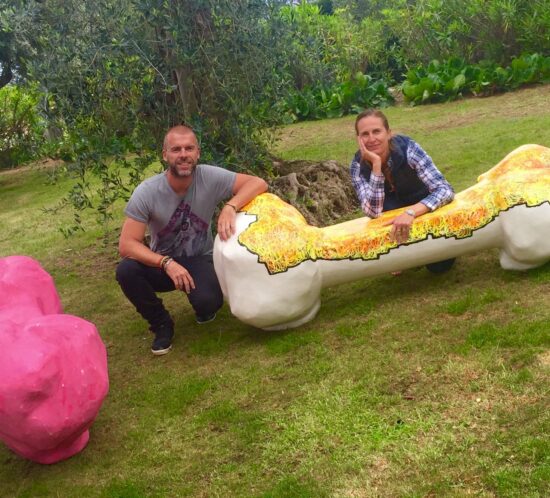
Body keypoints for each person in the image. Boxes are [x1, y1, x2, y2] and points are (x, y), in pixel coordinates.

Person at [116, 125, 268, 355]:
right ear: (165, 154)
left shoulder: (209, 176)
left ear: (197, 153)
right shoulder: (147, 192)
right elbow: (127, 244)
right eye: (176, 149)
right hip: (163, 264)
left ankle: (202, 303)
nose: (183, 154)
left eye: (189, 148)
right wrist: (166, 263)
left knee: (208, 304)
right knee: (126, 270)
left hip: (199, 259)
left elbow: (258, 183)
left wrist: (230, 206)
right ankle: (161, 323)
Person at [350, 109, 455, 273]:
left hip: (424, 211)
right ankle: (404, 255)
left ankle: (415, 254)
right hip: (392, 222)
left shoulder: (408, 148)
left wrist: (411, 212)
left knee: (440, 267)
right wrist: (376, 166)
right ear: (359, 139)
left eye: (376, 131)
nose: (371, 139)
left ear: (388, 133)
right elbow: (372, 211)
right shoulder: (358, 165)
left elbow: (445, 189)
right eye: (365, 134)